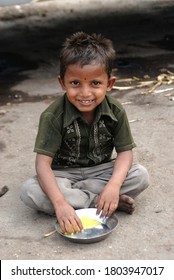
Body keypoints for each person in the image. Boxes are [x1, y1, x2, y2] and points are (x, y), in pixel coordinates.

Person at [21, 32, 149, 234]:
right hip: (62, 174)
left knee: (140, 176)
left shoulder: (115, 111)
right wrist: (60, 203)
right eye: (75, 83)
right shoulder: (53, 116)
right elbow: (42, 164)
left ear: (110, 84)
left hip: (99, 171)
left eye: (95, 83)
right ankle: (98, 202)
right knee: (30, 192)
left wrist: (114, 186)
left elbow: (125, 153)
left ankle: (90, 200)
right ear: (62, 83)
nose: (85, 93)